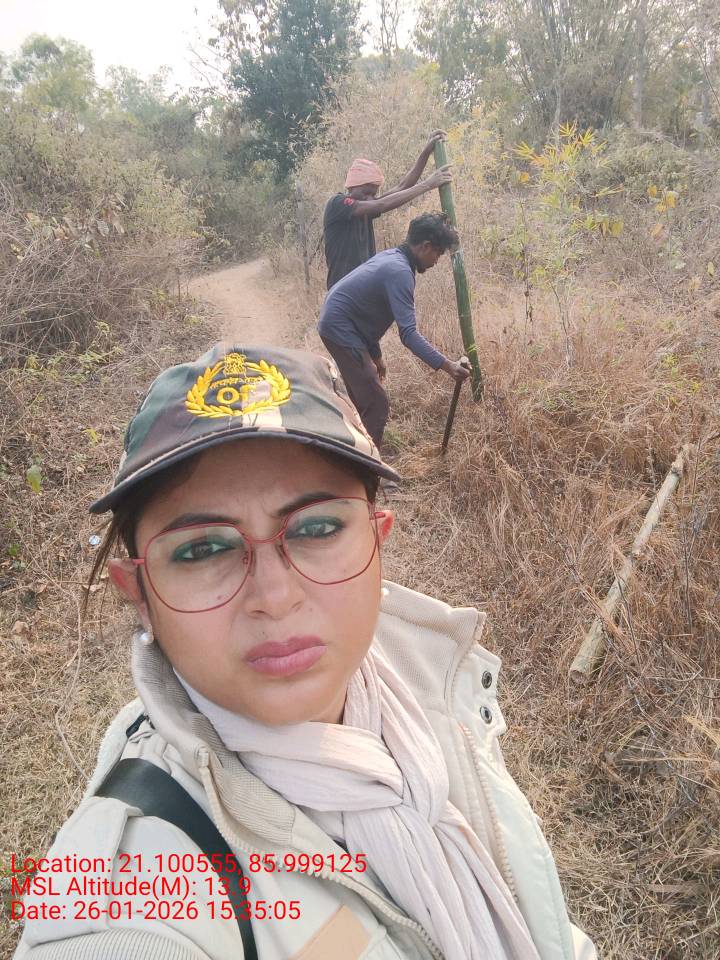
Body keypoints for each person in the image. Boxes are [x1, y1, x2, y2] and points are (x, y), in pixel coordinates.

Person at [13, 343, 596, 960]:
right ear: (140, 594)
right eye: (203, 549)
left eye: (317, 528)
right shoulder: (127, 895)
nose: (275, 597)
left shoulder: (420, 681)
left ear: (377, 540)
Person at [318, 211, 470, 448]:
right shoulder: (400, 272)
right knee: (377, 405)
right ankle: (365, 466)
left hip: (340, 323)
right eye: (438, 253)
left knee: (362, 400)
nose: (437, 260)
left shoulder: (394, 258)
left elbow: (367, 313)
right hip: (340, 327)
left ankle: (348, 453)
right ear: (425, 246)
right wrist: (448, 366)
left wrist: (376, 357)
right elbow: (409, 335)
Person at [324, 131, 452, 289]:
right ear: (352, 187)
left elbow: (403, 186)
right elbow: (381, 204)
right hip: (341, 288)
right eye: (366, 192)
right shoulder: (338, 203)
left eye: (374, 194)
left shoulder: (366, 208)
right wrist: (427, 184)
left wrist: (426, 152)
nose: (370, 198)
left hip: (364, 287)